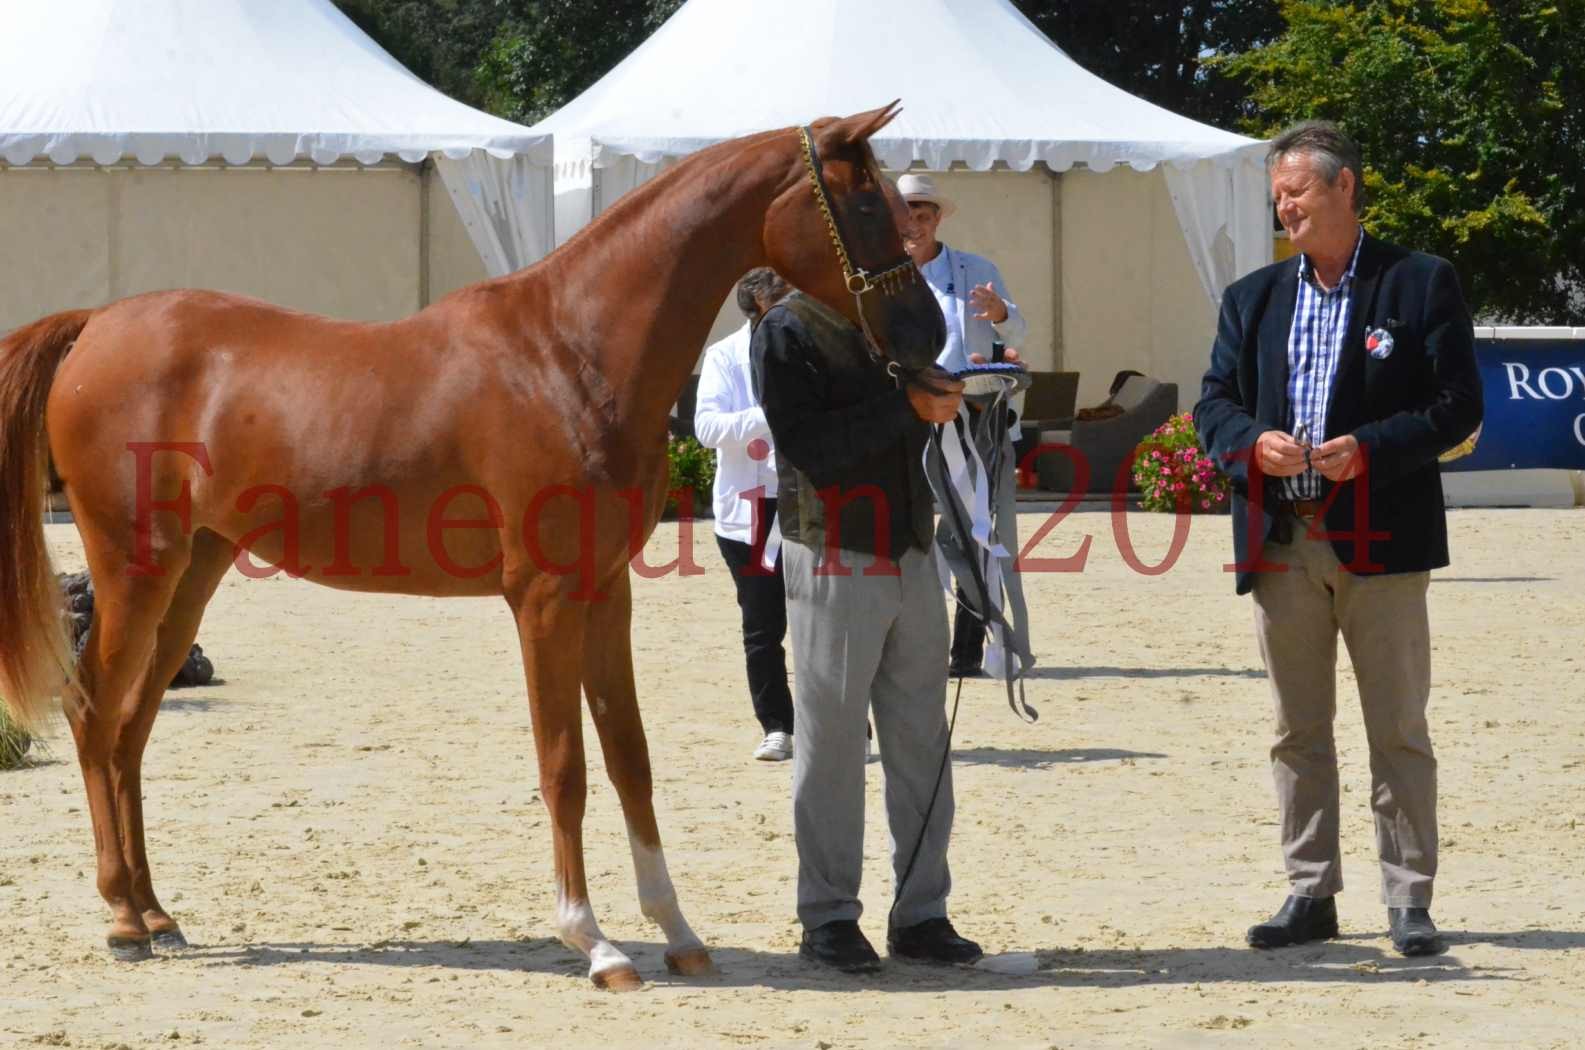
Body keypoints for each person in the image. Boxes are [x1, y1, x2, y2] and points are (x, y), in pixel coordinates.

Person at [1194, 121, 1483, 958]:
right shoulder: (1250, 297)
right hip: (1282, 538)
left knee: (1396, 725)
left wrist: (1371, 448)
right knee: (1296, 728)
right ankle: (1308, 890)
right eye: (1276, 195)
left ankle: (1407, 898)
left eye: (1295, 190)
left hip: (1381, 534)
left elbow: (1457, 404)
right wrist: (1250, 441)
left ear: (1344, 186)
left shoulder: (1420, 283)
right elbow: (1212, 401)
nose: (1282, 207)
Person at [751, 285, 984, 973]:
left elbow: (921, 383)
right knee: (831, 742)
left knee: (921, 741)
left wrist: (949, 392)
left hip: (909, 542)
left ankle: (921, 913)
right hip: (834, 546)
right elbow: (812, 448)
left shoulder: (897, 313)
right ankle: (826, 916)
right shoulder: (787, 327)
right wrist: (907, 404)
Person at [897, 173, 1028, 678]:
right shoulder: (876, 275)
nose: (914, 223)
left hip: (972, 412)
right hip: (905, 416)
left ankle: (968, 648)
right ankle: (912, 642)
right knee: (907, 529)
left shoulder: (975, 268)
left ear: (938, 217)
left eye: (923, 213)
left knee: (972, 529)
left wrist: (999, 313)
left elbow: (1016, 330)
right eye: (906, 213)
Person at [694, 268, 796, 762]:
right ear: (757, 302)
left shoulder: (807, 348)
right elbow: (707, 427)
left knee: (824, 621)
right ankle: (778, 725)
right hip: (748, 512)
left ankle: (840, 725)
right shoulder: (723, 356)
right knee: (763, 626)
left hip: (809, 503)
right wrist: (773, 413)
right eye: (783, 297)